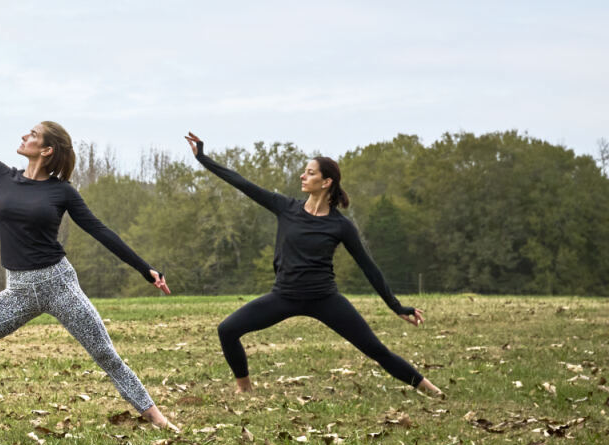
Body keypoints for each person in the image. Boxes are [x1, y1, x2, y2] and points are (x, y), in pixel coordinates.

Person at [0, 87, 180, 429]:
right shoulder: (2, 175)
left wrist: (145, 269)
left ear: (46, 150)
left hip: (60, 285)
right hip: (18, 291)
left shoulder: (61, 191)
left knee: (105, 354)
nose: (23, 136)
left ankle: (157, 418)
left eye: (32, 134)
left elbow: (99, 230)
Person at [185, 133, 440, 397]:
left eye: (309, 173)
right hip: (284, 296)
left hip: (324, 298)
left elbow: (369, 267)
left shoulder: (340, 225)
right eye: (304, 172)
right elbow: (240, 182)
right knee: (227, 330)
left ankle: (431, 390)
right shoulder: (285, 207)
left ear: (326, 181)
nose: (302, 177)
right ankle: (245, 388)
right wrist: (203, 157)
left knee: (376, 350)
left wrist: (396, 306)